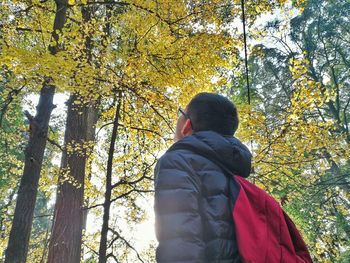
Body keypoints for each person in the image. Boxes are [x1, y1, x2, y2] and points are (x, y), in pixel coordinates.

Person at [154, 92, 312, 263]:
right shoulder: (233, 174)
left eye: (181, 113)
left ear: (187, 126)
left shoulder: (178, 161)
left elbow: (179, 241)